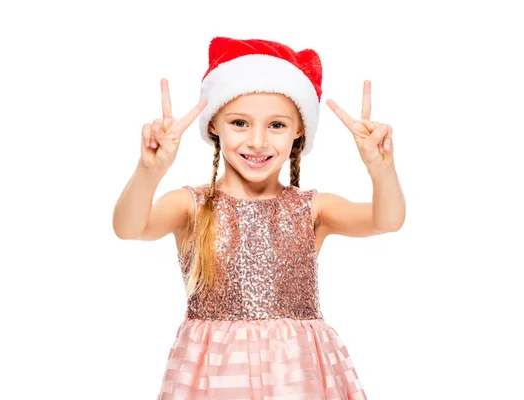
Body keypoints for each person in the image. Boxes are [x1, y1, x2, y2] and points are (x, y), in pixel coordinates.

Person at [113, 36, 405, 400]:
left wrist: (381, 170)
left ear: (300, 130)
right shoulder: (192, 205)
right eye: (239, 122)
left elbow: (387, 220)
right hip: (215, 377)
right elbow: (128, 227)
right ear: (214, 125)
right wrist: (148, 170)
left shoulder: (311, 209)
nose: (257, 141)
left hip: (296, 375)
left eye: (276, 125)